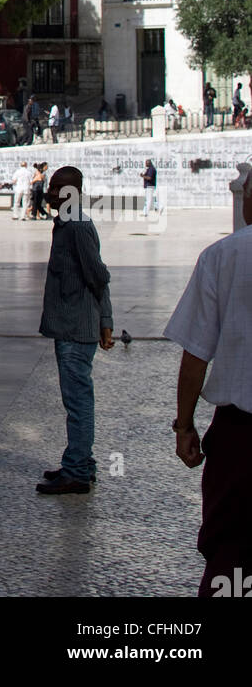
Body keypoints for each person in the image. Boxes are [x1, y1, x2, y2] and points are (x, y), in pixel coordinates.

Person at [164, 173, 252, 596]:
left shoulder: (223, 256)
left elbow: (196, 355)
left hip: (241, 437)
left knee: (230, 546)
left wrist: (184, 426)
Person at [37, 165, 113, 495]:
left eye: (57, 188)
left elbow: (99, 275)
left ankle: (78, 471)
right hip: (69, 324)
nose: (51, 193)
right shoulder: (66, 223)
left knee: (78, 401)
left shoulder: (77, 225)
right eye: (51, 187)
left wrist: (105, 321)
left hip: (75, 328)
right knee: (77, 400)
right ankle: (79, 461)